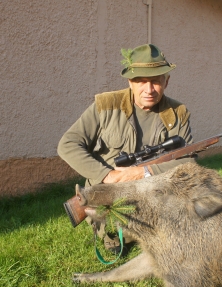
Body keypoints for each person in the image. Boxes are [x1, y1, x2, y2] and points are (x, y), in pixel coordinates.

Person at [58, 44, 194, 252]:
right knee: (121, 224)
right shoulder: (105, 106)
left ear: (166, 82)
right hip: (110, 191)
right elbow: (67, 144)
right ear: (130, 81)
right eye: (141, 81)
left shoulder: (178, 112)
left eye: (156, 81)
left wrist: (144, 171)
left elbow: (189, 161)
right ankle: (114, 231)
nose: (149, 90)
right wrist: (107, 175)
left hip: (152, 188)